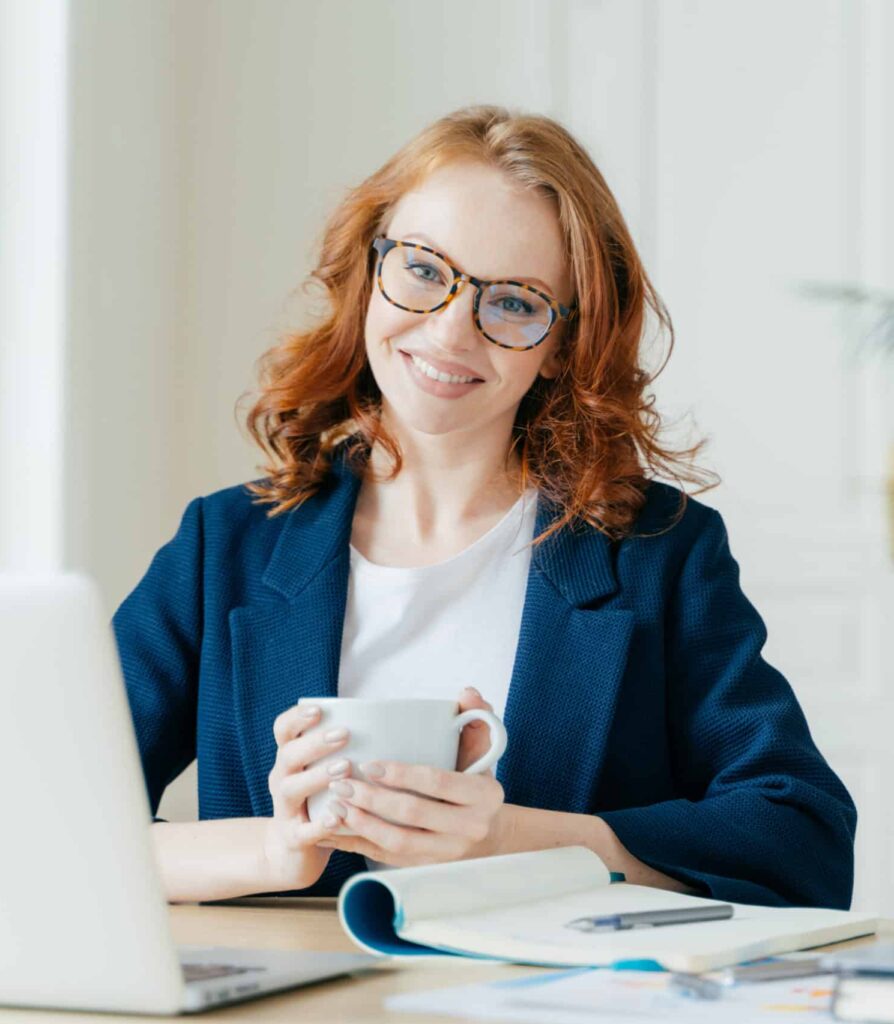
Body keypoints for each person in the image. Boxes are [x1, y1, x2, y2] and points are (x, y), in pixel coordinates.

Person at [111, 105, 856, 908]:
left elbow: (803, 838)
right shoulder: (222, 547)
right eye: (425, 270)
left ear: (563, 343)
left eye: (515, 302)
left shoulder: (657, 553)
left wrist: (515, 840)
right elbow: (42, 824)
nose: (450, 331)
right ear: (370, 269)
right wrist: (273, 850)